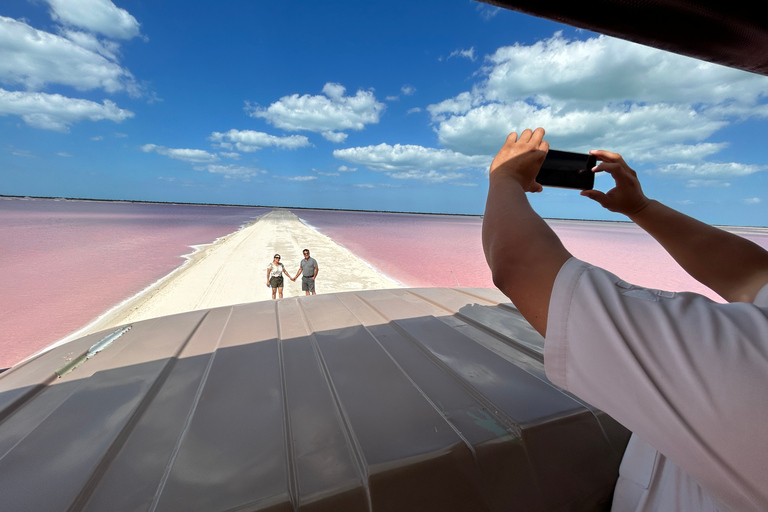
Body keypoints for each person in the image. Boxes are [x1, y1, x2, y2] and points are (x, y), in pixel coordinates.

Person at [482, 128, 768, 511]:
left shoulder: (748, 364)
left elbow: (522, 269)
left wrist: (504, 179)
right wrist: (641, 208)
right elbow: (751, 275)